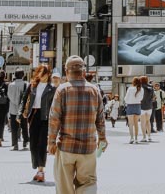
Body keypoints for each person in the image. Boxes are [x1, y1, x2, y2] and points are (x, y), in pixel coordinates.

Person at [48, 56, 107, 194]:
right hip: (88, 147)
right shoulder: (94, 90)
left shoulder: (62, 90)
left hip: (66, 147)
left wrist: (51, 142)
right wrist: (102, 138)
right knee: (88, 184)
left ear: (66, 71)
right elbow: (100, 118)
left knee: (64, 188)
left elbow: (54, 118)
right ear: (84, 71)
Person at [23, 65, 55, 182]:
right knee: (33, 144)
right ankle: (37, 167)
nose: (43, 75)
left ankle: (41, 170)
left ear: (48, 74)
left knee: (42, 144)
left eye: (45, 73)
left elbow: (54, 105)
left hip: (45, 117)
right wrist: (19, 114)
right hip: (33, 116)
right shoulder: (32, 86)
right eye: (41, 73)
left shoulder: (52, 88)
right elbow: (24, 99)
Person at [8, 69, 29, 150]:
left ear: (14, 75)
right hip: (23, 110)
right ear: (23, 75)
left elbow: (9, 96)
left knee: (14, 127)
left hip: (13, 109)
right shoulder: (26, 84)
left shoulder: (11, 85)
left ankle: (15, 144)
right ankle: (25, 142)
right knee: (24, 126)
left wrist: (15, 102)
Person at [123, 76, 143, 144]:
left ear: (133, 82)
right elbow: (141, 99)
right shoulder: (141, 89)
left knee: (131, 124)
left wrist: (128, 101)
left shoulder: (130, 88)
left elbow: (125, 98)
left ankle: (131, 138)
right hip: (138, 106)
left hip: (130, 106)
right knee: (136, 123)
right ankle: (136, 138)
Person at [138, 76, 154, 141]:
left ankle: (144, 137)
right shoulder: (151, 87)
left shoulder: (140, 87)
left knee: (142, 122)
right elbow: (153, 97)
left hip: (142, 106)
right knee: (148, 121)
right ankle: (149, 136)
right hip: (149, 106)